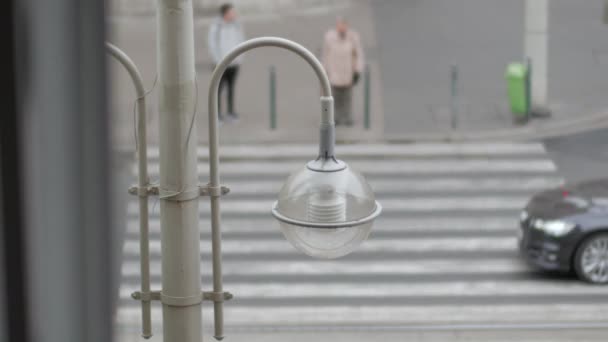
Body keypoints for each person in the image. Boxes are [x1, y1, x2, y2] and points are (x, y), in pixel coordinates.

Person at [321, 17, 365, 126]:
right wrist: (324, 71)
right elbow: (325, 56)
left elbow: (358, 55)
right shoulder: (329, 38)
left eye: (344, 26)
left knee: (347, 97)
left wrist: (357, 71)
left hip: (347, 73)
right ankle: (335, 117)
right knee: (335, 96)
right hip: (334, 73)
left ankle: (347, 117)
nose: (342, 28)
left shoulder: (353, 38)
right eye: (340, 26)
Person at [208, 3, 245, 122]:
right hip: (221, 63)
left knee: (231, 88)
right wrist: (218, 60)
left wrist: (240, 58)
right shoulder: (217, 27)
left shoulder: (236, 25)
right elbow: (212, 44)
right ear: (225, 13)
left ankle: (230, 112)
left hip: (234, 63)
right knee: (218, 89)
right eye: (231, 12)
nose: (233, 14)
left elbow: (241, 40)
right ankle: (217, 114)